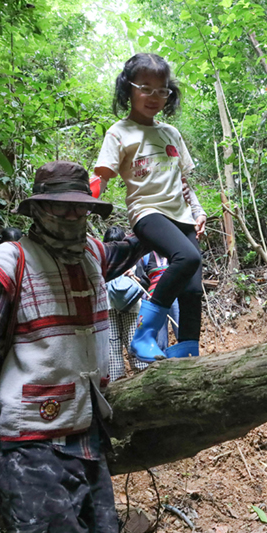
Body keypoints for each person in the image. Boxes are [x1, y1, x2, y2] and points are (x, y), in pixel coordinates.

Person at [0, 161, 148, 533]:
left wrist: (165, 213)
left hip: (87, 435)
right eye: (60, 205)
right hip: (30, 444)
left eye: (80, 206)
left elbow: (131, 247)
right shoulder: (10, 262)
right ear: (37, 209)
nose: (72, 215)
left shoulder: (93, 254)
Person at [93, 52, 206, 362]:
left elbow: (183, 181)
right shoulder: (120, 132)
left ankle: (186, 349)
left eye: (161, 90)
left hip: (182, 215)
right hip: (147, 212)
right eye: (145, 88)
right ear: (128, 89)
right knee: (187, 258)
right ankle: (144, 334)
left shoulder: (171, 133)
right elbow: (101, 177)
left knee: (192, 289)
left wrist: (198, 212)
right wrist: (81, 206)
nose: (154, 97)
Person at [103, 225, 151, 381]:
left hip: (131, 307)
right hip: (109, 308)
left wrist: (135, 276)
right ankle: (115, 382)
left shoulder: (134, 259)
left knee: (133, 342)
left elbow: (145, 283)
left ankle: (142, 378)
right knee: (112, 346)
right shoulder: (102, 261)